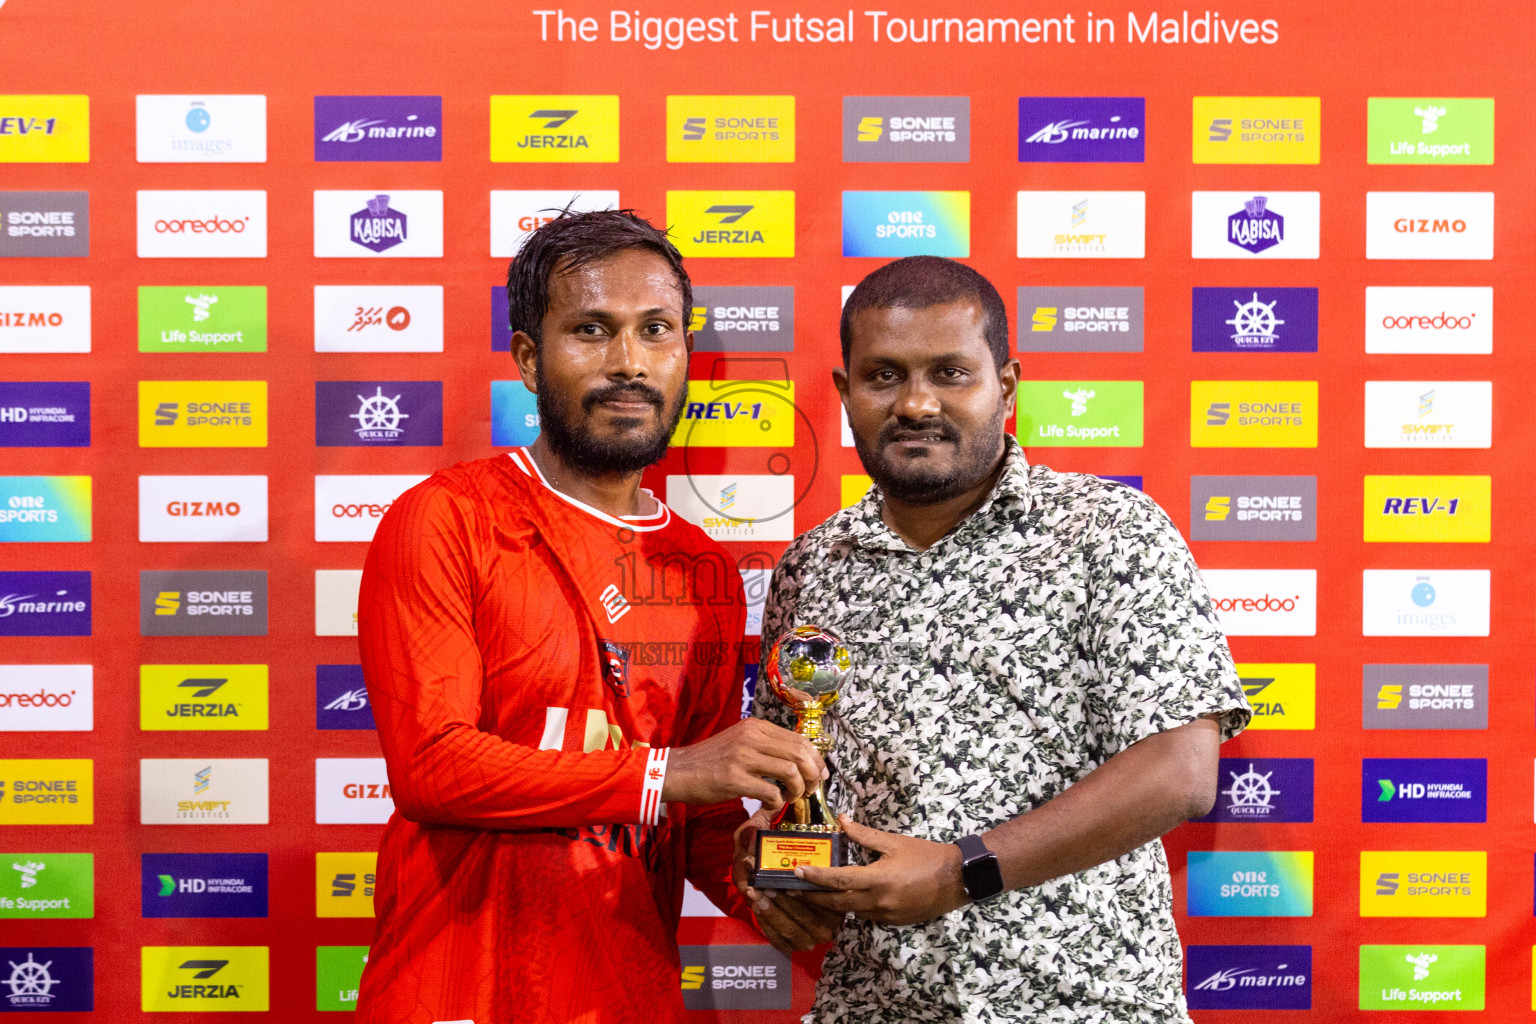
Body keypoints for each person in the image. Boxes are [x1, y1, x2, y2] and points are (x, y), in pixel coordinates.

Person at [739, 255, 1251, 1023]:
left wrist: (960, 871)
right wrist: (768, 862)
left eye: (950, 373)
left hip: (1082, 1007)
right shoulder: (811, 568)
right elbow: (796, 779)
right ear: (845, 394)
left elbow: (1179, 771)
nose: (915, 404)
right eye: (884, 377)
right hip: (873, 1007)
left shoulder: (1109, 534)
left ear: (1005, 388)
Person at [355, 209, 827, 1024]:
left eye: (656, 331)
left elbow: (703, 818)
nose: (628, 363)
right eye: (592, 330)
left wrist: (780, 893)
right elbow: (432, 766)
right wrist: (665, 773)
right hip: (457, 993)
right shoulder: (444, 518)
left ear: (685, 353)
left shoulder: (703, 569)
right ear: (530, 359)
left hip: (627, 997)